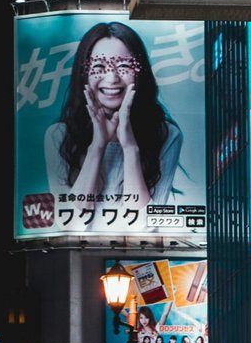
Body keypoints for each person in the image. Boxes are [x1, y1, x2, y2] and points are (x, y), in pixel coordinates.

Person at [45, 21, 184, 231]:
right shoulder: (58, 135)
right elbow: (71, 224)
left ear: (140, 73)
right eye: (99, 67)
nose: (111, 78)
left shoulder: (166, 135)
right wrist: (97, 147)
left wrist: (130, 147)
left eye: (123, 66)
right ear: (84, 73)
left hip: (137, 258)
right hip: (78, 259)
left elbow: (143, 226)